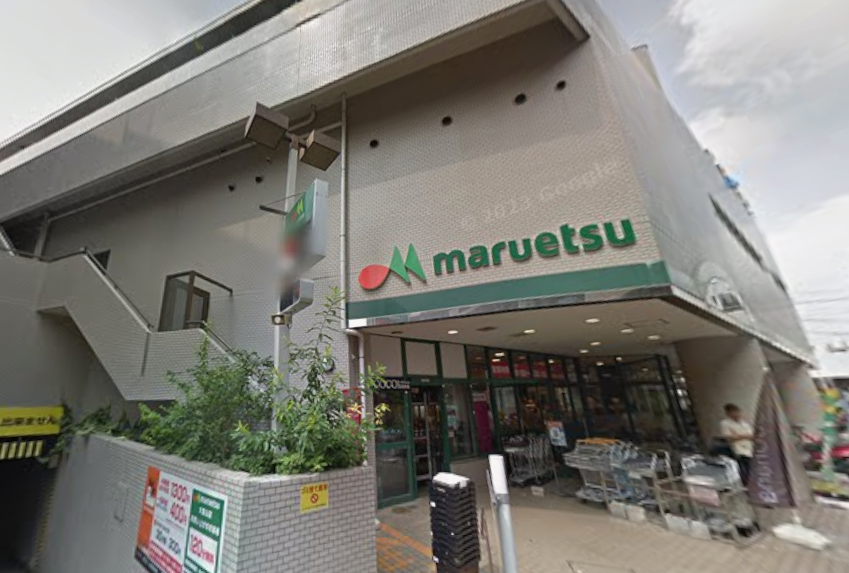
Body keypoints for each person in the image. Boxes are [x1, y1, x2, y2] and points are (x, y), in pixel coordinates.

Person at [720, 403, 754, 485]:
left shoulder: (744, 424)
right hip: (739, 449)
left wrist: (739, 435)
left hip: (750, 448)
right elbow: (728, 438)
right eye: (733, 412)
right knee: (744, 468)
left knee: (752, 467)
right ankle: (746, 484)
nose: (736, 414)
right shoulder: (726, 424)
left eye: (737, 411)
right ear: (728, 413)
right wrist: (744, 436)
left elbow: (752, 435)